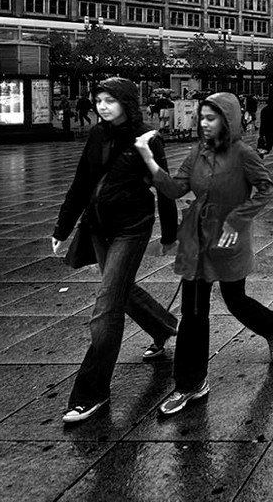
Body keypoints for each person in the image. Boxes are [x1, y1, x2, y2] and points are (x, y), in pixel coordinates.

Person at [135, 92, 273, 416]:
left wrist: (236, 218)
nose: (203, 123)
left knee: (235, 300)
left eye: (210, 118)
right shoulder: (197, 153)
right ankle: (191, 384)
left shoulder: (243, 154)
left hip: (229, 241)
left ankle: (271, 325)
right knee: (194, 312)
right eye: (200, 117)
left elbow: (267, 188)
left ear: (227, 120)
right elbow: (176, 189)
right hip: (197, 243)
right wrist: (148, 159)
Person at [51, 77, 179, 424]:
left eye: (110, 100)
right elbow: (82, 181)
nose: (102, 106)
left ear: (127, 102)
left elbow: (164, 186)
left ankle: (91, 393)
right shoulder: (96, 134)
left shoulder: (147, 137)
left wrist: (170, 233)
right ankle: (165, 327)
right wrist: (62, 227)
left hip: (131, 227)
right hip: (97, 227)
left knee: (107, 305)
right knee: (120, 290)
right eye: (98, 100)